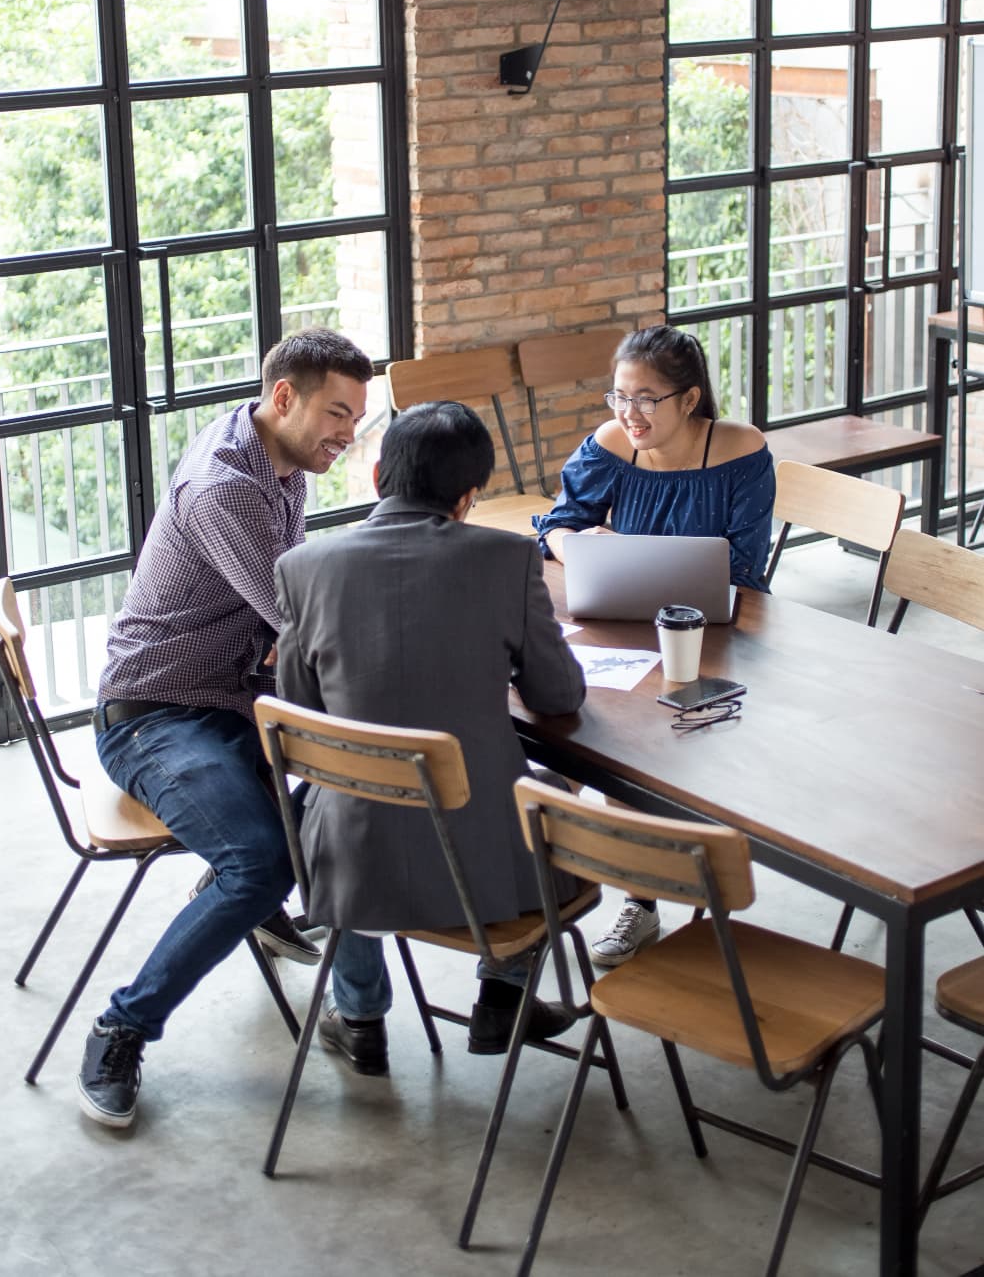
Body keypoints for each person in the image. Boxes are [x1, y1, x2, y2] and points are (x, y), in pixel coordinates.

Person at [78, 327, 374, 1129]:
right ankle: (122, 1027)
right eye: (338, 414)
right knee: (259, 861)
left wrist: (299, 629)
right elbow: (297, 615)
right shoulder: (227, 487)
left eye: (357, 416)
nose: (349, 435)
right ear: (284, 398)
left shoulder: (277, 461)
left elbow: (292, 613)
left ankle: (360, 1017)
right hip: (156, 714)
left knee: (350, 804)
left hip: (236, 700)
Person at [274, 400, 586, 1075]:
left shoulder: (304, 568)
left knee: (335, 800)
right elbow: (558, 695)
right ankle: (502, 993)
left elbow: (299, 711)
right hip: (485, 870)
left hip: (354, 861)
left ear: (380, 472)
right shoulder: (507, 560)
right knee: (555, 796)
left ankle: (359, 1017)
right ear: (470, 496)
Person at [535, 324, 775, 970]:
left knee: (630, 746)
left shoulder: (741, 449)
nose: (628, 414)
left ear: (689, 399)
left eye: (646, 399)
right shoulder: (613, 444)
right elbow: (557, 524)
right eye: (618, 396)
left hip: (716, 637)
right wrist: (583, 552)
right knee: (568, 735)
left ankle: (640, 895)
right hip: (621, 627)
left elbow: (746, 573)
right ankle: (578, 889)